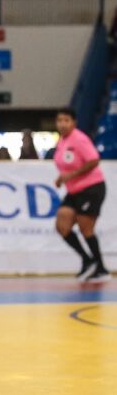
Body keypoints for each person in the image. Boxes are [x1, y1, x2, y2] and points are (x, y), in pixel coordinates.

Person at [53, 108, 109, 283]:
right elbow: (66, 165)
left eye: (66, 120)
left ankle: (101, 268)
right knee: (62, 224)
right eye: (60, 120)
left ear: (73, 122)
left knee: (86, 229)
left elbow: (94, 160)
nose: (62, 124)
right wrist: (62, 177)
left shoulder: (79, 139)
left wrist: (72, 175)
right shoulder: (62, 141)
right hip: (73, 190)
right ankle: (87, 260)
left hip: (91, 188)